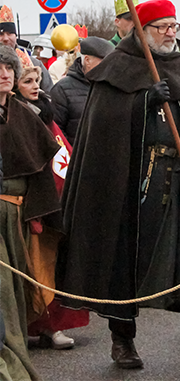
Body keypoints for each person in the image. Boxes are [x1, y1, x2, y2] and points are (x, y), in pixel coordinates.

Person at [59, 0, 180, 376]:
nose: (172, 33)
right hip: (131, 189)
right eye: (162, 27)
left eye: (174, 26)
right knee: (125, 263)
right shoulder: (115, 72)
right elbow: (104, 133)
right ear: (142, 30)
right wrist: (141, 103)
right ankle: (122, 336)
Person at [12, 54, 91, 351]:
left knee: (52, 266)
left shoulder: (45, 111)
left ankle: (51, 325)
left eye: (37, 80)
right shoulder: (18, 115)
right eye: (27, 81)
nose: (35, 86)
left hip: (56, 201)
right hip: (27, 204)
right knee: (31, 268)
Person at [0, 45, 63, 379]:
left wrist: (39, 212)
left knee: (21, 285)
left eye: (8, 68)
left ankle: (17, 353)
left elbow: (40, 163)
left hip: (20, 214)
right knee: (2, 289)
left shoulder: (23, 112)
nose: (4, 74)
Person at [48, 37, 113, 144]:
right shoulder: (62, 89)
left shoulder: (112, 86)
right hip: (76, 157)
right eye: (105, 61)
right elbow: (56, 131)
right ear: (87, 60)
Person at [0, 5, 52, 92]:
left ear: (16, 36)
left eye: (10, 33)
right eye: (1, 34)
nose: (5, 38)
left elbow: (50, 95)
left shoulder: (35, 64)